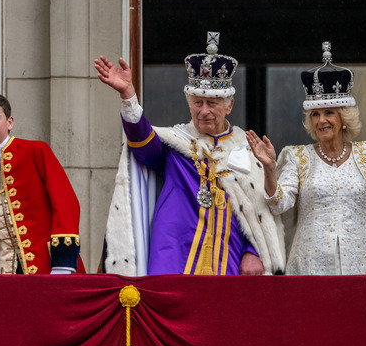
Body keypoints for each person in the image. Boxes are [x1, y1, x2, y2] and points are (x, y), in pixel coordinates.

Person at [95, 31, 284, 276]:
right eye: (197, 102)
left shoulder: (247, 150)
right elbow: (143, 146)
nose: (204, 110)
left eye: (212, 103)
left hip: (230, 254)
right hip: (174, 249)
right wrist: (128, 96)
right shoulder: (176, 143)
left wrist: (253, 251)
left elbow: (258, 211)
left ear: (229, 105)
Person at [246, 42, 366, 275]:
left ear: (343, 117)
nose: (321, 120)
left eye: (328, 112)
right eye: (315, 114)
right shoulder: (297, 156)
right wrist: (270, 168)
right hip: (309, 268)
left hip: (361, 266)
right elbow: (279, 205)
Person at [0, 92, 85, 274]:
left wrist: (63, 262)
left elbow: (65, 203)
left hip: (48, 264)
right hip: (4, 270)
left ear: (9, 123)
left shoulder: (36, 151)